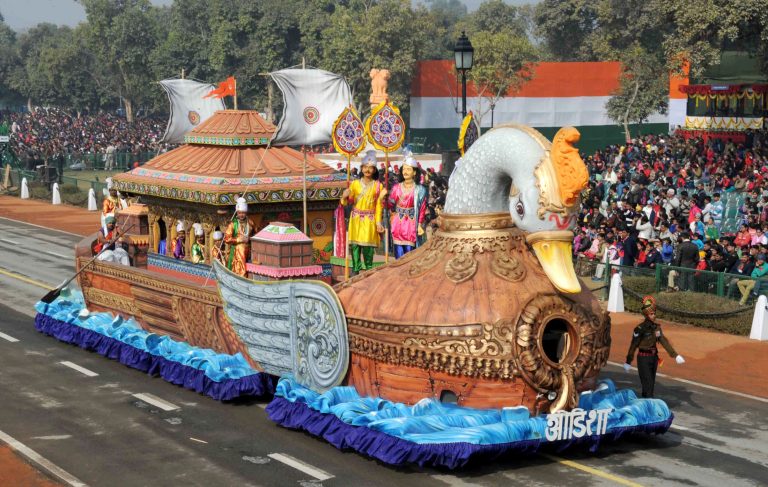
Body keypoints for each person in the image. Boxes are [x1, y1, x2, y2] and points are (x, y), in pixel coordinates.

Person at [624, 296, 685, 398]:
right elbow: (633, 345)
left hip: (653, 358)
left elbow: (663, 341)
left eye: (654, 313)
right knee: (647, 384)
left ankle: (645, 404)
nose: (654, 316)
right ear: (646, 315)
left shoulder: (656, 328)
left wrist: (675, 355)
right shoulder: (640, 329)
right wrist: (628, 361)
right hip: (643, 358)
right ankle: (649, 405)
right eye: (651, 314)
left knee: (650, 384)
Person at [341, 150, 386, 272]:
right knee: (355, 247)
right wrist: (344, 196)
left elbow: (378, 206)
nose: (367, 170)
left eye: (370, 168)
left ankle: (369, 271)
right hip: (356, 219)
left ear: (375, 170)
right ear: (361, 168)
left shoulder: (378, 186)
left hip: (369, 220)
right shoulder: (354, 184)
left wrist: (378, 222)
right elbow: (348, 202)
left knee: (368, 247)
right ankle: (355, 270)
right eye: (365, 167)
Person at [387, 155, 427, 258]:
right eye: (404, 169)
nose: (405, 172)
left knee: (410, 254)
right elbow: (390, 204)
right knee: (398, 254)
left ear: (414, 172)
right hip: (398, 223)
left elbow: (422, 209)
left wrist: (419, 224)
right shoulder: (396, 188)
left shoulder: (420, 189)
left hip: (411, 223)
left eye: (408, 169)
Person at [224, 197, 255, 276]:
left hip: (249, 249)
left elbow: (255, 235)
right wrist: (238, 239)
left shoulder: (250, 222)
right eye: (240, 213)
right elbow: (227, 239)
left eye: (243, 213)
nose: (241, 215)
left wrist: (249, 239)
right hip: (238, 250)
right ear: (237, 212)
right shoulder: (233, 224)